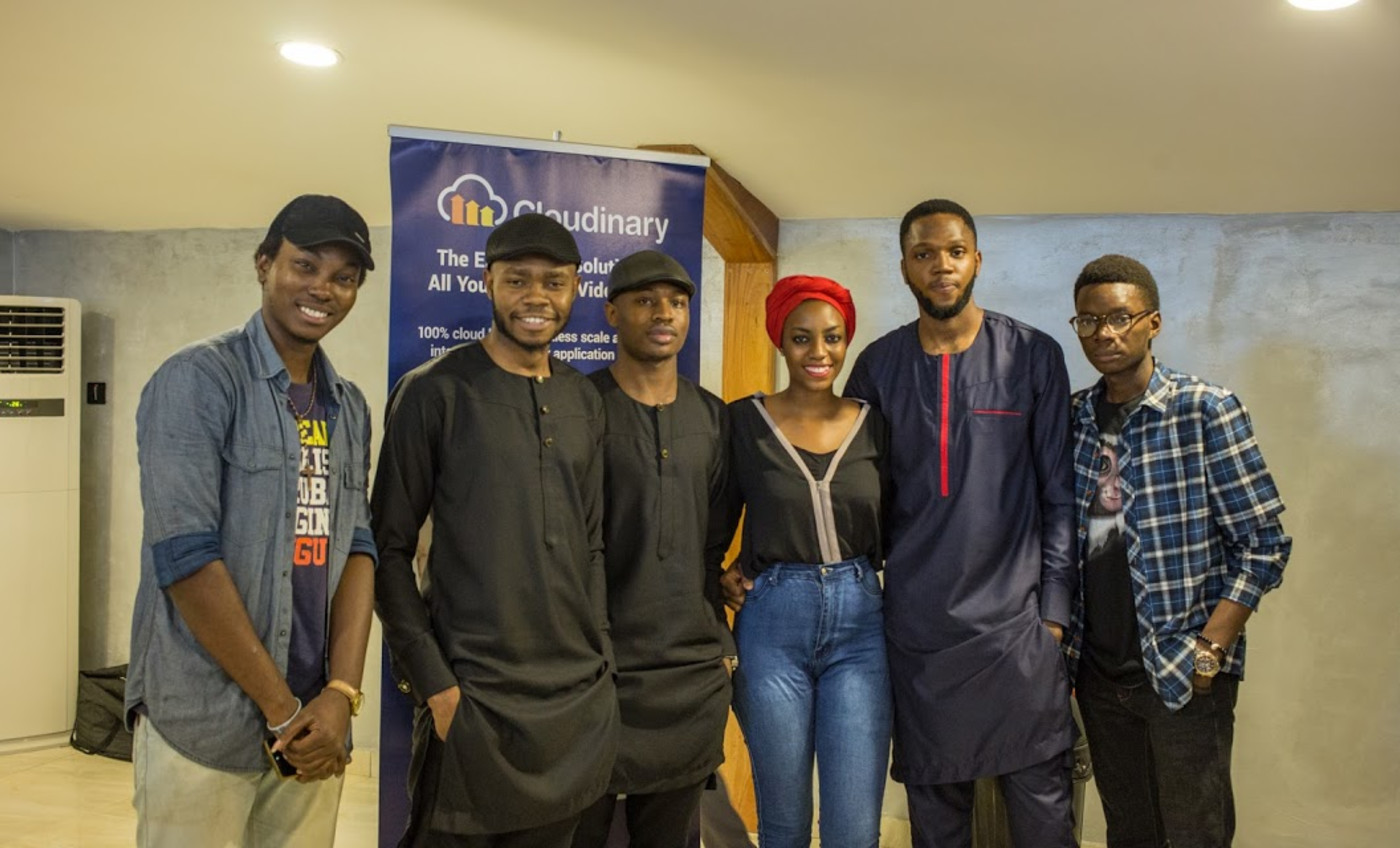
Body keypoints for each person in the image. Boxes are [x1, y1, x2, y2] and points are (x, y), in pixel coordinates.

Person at [126, 194, 379, 845]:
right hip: (206, 723)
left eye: (343, 277)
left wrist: (339, 696)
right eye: (305, 265)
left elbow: (357, 550)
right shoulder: (197, 381)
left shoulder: (347, 409)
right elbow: (186, 561)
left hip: (313, 731)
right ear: (264, 264)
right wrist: (282, 711)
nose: (323, 288)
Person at [372, 212, 619, 847]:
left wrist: (600, 665)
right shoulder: (434, 393)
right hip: (473, 697)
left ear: (576, 290)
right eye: (518, 280)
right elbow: (386, 550)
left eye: (554, 282)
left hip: (571, 705)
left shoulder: (585, 400)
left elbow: (592, 542)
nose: (536, 297)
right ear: (487, 283)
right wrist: (435, 686)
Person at [843, 199, 1077, 847]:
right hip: (919, 633)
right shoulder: (877, 367)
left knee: (1043, 820)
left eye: (953, 251)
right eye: (924, 254)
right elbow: (863, 501)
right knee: (937, 822)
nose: (940, 266)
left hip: (1018, 631)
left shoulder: (1034, 356)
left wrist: (1053, 616)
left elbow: (1060, 495)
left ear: (976, 259)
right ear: (904, 268)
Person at [1064, 254, 1291, 848]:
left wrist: (1210, 648)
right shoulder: (1073, 421)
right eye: (1088, 322)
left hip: (1182, 674)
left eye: (1119, 317)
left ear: (1153, 322)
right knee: (1129, 832)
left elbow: (1264, 545)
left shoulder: (1205, 410)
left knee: (1196, 833)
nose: (1105, 334)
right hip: (1098, 676)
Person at [720, 274, 892, 848]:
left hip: (861, 626)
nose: (819, 353)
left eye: (833, 337)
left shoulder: (874, 422)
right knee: (784, 822)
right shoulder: (743, 421)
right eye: (801, 338)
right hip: (772, 624)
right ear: (779, 340)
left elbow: (899, 522)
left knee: (853, 827)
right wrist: (719, 576)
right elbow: (713, 522)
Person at [570, 250, 733, 848]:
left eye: (678, 302)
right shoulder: (578, 407)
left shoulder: (714, 418)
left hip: (687, 679)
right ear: (611, 313)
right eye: (645, 301)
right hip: (594, 673)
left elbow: (712, 546)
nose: (664, 314)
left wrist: (720, 641)